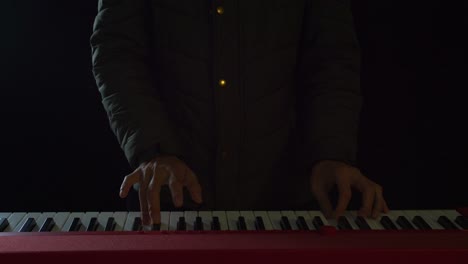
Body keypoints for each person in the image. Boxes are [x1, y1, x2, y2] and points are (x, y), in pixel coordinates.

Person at [90, 0, 389, 226]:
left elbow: (333, 59)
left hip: (285, 198)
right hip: (167, 195)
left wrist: (331, 153)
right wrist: (153, 150)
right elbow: (116, 52)